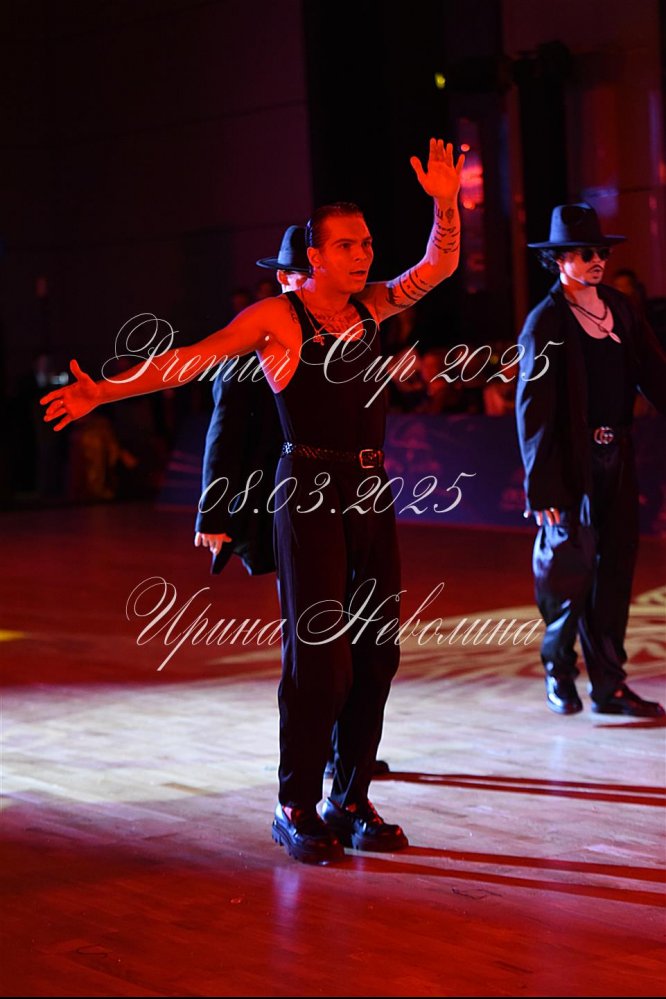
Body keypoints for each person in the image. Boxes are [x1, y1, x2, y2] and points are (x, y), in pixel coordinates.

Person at [41, 138, 464, 864]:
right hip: (307, 493)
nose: (362, 255)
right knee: (321, 660)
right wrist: (102, 391)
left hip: (370, 492)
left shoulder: (370, 308)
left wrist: (447, 203)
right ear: (315, 255)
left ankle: (350, 797)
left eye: (366, 243)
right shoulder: (279, 318)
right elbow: (189, 360)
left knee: (377, 653)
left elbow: (439, 266)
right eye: (346, 245)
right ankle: (294, 802)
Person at [194, 225, 391, 778]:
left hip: (344, 495)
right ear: (287, 277)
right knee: (313, 635)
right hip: (283, 499)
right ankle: (317, 755)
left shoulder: (344, 329)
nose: (308, 286)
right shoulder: (255, 340)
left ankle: (347, 753)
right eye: (300, 275)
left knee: (356, 631)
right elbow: (224, 430)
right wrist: (214, 513)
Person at [516, 202, 666, 718]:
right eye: (584, 253)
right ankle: (559, 673)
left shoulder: (621, 308)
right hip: (571, 464)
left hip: (617, 456)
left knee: (616, 571)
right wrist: (542, 487)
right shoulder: (545, 321)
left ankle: (609, 684)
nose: (597, 260)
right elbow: (533, 411)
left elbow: (655, 373)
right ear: (559, 260)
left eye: (600, 252)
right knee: (568, 575)